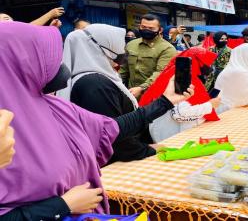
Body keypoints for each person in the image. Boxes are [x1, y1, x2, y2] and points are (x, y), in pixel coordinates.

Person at [0, 21, 193, 219]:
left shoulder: (53, 106)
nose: (59, 66)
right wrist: (62, 205)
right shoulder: (4, 127)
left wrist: (166, 101)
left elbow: (111, 128)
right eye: (46, 58)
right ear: (16, 63)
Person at [57, 24, 160, 163]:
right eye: (120, 47)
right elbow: (112, 136)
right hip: (114, 165)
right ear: (103, 49)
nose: (123, 53)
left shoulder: (93, 79)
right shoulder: (94, 85)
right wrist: (148, 149)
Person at [140, 47, 221, 142]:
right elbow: (180, 113)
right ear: (196, 62)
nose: (209, 67)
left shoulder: (173, 72)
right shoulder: (183, 78)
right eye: (206, 63)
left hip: (164, 129)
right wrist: (209, 105)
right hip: (171, 135)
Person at [120, 14, 177, 99]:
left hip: (153, 97)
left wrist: (141, 88)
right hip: (130, 94)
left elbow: (161, 73)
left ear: (160, 30)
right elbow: (124, 69)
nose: (146, 30)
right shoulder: (131, 45)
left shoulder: (167, 49)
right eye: (143, 27)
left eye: (151, 28)